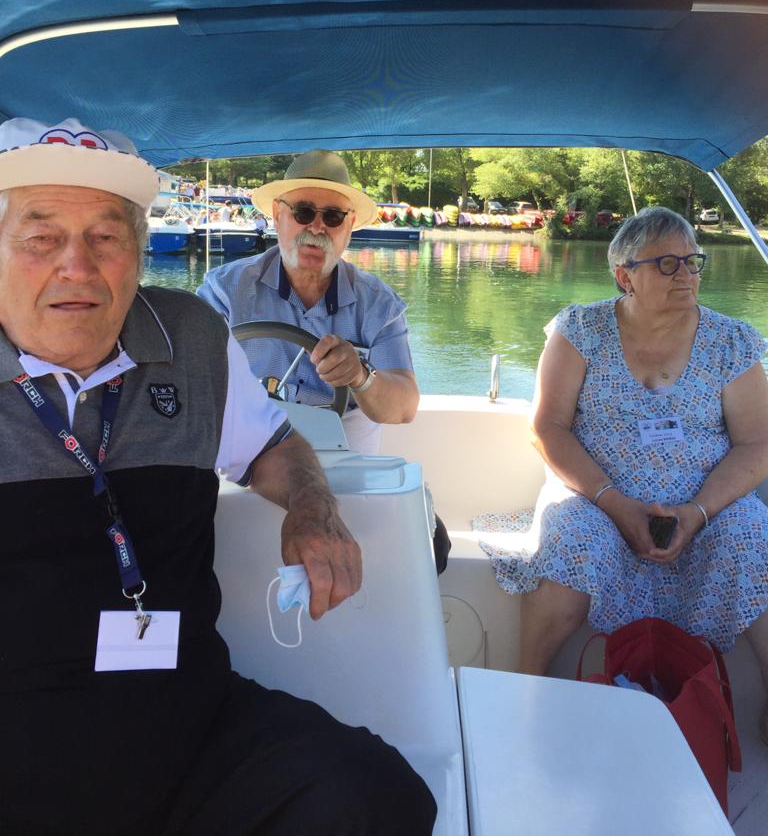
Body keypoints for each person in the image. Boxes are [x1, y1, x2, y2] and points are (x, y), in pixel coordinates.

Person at [0, 118, 436, 836]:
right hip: (21, 727)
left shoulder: (194, 337)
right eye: (41, 238)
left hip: (186, 714)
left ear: (137, 252)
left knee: (378, 797)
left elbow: (276, 445)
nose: (76, 266)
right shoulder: (229, 290)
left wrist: (311, 505)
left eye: (106, 237)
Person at [483, 207, 768, 736]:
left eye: (691, 261)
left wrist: (697, 512)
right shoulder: (580, 330)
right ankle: (527, 689)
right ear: (624, 275)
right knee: (572, 535)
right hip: (597, 496)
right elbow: (548, 427)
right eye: (666, 263)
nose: (686, 274)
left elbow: (757, 443)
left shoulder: (733, 343)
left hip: (706, 504)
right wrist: (614, 503)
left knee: (753, 534)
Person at [197, 149, 419, 457]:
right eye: (303, 212)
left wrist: (359, 375)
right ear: (277, 214)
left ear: (350, 224)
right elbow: (191, 377)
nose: (317, 228)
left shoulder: (379, 306)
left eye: (332, 216)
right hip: (251, 453)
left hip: (347, 459)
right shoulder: (224, 292)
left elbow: (404, 407)